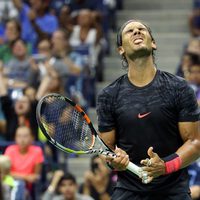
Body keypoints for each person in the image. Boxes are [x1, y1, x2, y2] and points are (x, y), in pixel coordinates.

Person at [96, 19, 200, 200]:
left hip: (173, 192)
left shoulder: (180, 88)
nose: (136, 32)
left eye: (141, 29)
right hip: (129, 191)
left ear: (153, 43)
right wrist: (116, 162)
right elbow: (108, 151)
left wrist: (165, 166)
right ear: (121, 49)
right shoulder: (108, 96)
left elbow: (195, 143)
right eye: (130, 31)